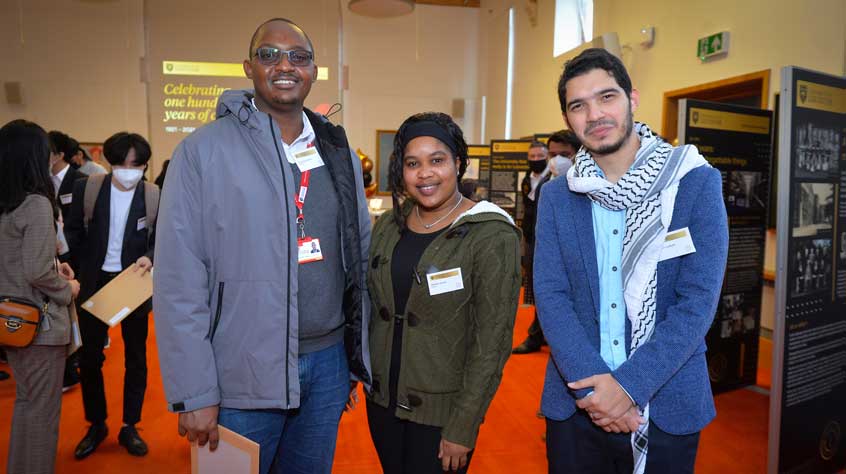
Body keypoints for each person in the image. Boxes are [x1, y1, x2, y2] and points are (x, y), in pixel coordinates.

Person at [153, 17, 371, 474]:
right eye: (269, 55)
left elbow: (360, 257)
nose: (284, 65)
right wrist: (194, 390)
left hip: (327, 366)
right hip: (238, 373)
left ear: (313, 70)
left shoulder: (338, 152)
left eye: (298, 56)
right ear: (249, 67)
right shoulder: (203, 151)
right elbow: (179, 279)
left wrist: (355, 358)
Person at [534, 48, 728, 473]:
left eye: (607, 97)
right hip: (577, 399)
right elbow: (550, 295)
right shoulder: (557, 196)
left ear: (632, 98)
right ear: (568, 119)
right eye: (578, 105)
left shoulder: (694, 183)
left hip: (666, 401)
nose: (595, 114)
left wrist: (627, 387)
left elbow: (696, 303)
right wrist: (596, 394)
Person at [366, 112, 521, 474]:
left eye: (437, 160)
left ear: (458, 163)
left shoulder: (492, 235)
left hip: (440, 416)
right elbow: (371, 306)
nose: (425, 174)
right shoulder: (391, 224)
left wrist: (464, 425)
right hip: (383, 403)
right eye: (412, 163)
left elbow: (492, 343)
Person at [65, 132, 158, 459]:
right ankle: (97, 423)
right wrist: (75, 269)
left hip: (133, 283)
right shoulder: (87, 189)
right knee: (90, 359)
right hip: (94, 283)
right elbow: (73, 232)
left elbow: (160, 238)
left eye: (137, 165)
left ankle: (130, 425)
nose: (128, 171)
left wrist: (151, 255)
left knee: (136, 358)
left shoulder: (153, 194)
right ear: (109, 162)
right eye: (122, 164)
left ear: (144, 166)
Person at [0, 119, 81, 474]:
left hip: (13, 321)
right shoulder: (34, 203)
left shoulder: (6, 204)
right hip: (40, 325)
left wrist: (52, 266)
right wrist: (68, 288)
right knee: (42, 416)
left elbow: (24, 264)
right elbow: (36, 272)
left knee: (27, 405)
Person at [513, 130, 581, 354]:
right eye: (553, 154)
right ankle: (537, 335)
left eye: (564, 154)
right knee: (544, 293)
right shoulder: (545, 185)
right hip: (544, 246)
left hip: (575, 251)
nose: (557, 159)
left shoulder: (588, 183)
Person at [47, 130, 88, 391]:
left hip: (75, 257)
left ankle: (73, 363)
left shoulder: (80, 181)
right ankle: (65, 368)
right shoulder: (40, 182)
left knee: (75, 315)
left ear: (60, 155)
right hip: (54, 256)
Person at [512, 141, 549, 355]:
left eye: (539, 156)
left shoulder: (554, 177)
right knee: (535, 286)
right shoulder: (527, 178)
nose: (535, 160)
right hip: (531, 235)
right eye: (532, 156)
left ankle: (537, 335)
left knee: (545, 288)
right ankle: (539, 332)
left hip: (548, 237)